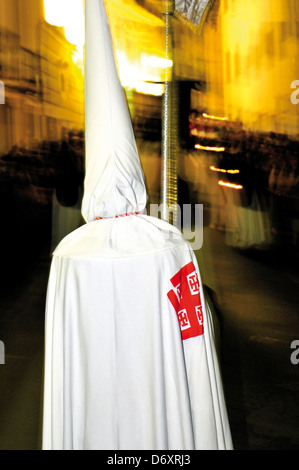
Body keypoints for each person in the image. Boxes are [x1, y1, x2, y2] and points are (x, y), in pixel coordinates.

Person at [42, 0, 233, 450]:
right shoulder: (169, 245)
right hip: (163, 424)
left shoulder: (67, 256)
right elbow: (195, 335)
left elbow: (64, 369)